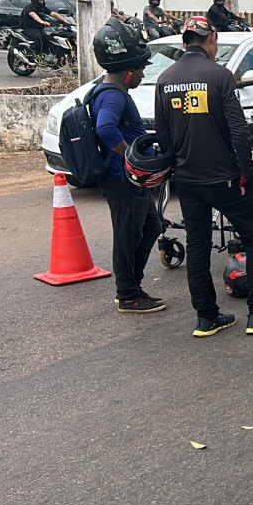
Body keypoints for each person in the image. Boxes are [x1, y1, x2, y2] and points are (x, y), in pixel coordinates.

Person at [153, 16, 253, 337]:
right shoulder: (219, 76)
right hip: (225, 178)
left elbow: (163, 135)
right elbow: (239, 132)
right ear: (212, 39)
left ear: (183, 42)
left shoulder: (165, 79)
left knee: (198, 246)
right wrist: (248, 173)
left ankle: (207, 318)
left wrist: (178, 168)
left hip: (187, 179)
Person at [91, 17, 164, 314]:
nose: (144, 75)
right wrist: (130, 157)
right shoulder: (112, 95)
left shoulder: (111, 90)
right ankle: (128, 295)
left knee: (151, 226)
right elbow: (105, 128)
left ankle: (133, 285)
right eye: (142, 69)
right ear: (129, 72)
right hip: (122, 179)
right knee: (127, 234)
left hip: (129, 179)